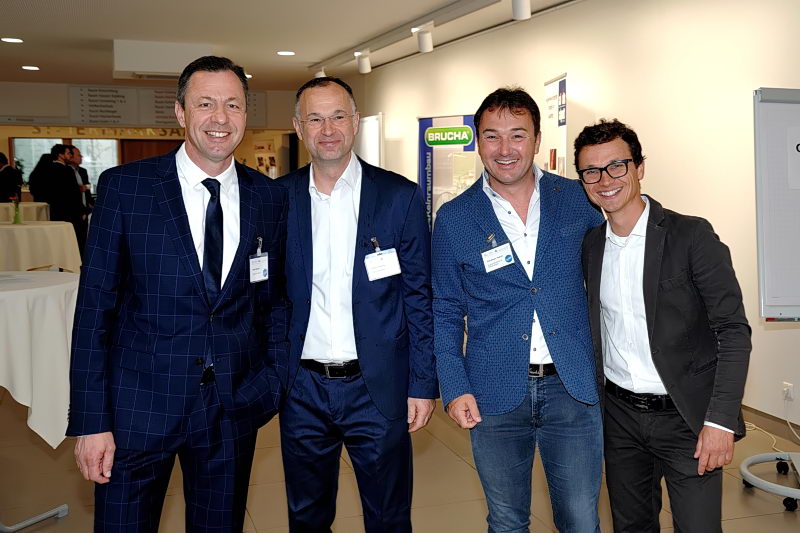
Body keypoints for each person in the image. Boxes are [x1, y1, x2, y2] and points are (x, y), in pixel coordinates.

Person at [67, 55, 289, 532]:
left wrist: (271, 384)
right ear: (181, 112)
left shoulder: (269, 197)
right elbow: (94, 310)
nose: (220, 117)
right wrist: (91, 420)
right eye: (205, 103)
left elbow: (273, 304)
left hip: (230, 409)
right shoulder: (127, 189)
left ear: (246, 114)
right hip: (136, 409)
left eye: (233, 105)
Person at [432, 87, 605, 532]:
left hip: (572, 387)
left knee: (581, 520)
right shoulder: (454, 218)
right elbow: (445, 309)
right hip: (492, 391)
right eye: (492, 136)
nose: (505, 149)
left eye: (517, 135)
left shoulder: (579, 200)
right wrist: (454, 386)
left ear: (537, 138)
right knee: (507, 521)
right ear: (478, 142)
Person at [277, 76, 437, 532]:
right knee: (306, 517)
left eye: (338, 116)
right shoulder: (277, 198)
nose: (328, 129)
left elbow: (419, 296)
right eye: (315, 119)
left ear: (356, 121)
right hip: (302, 388)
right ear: (299, 127)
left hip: (378, 388)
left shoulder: (399, 196)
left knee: (388, 517)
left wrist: (422, 383)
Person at [577, 119, 751, 533]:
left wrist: (720, 421)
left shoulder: (691, 235)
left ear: (639, 167)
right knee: (631, 526)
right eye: (591, 172)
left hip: (687, 418)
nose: (605, 180)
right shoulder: (592, 245)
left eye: (617, 166)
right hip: (620, 418)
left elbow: (733, 331)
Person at [65, 145, 94, 255]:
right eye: (78, 155)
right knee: (73, 239)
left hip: (85, 209)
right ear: (71, 156)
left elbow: (87, 189)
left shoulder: (82, 171)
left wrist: (90, 204)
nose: (81, 157)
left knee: (83, 237)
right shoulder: (65, 171)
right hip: (71, 210)